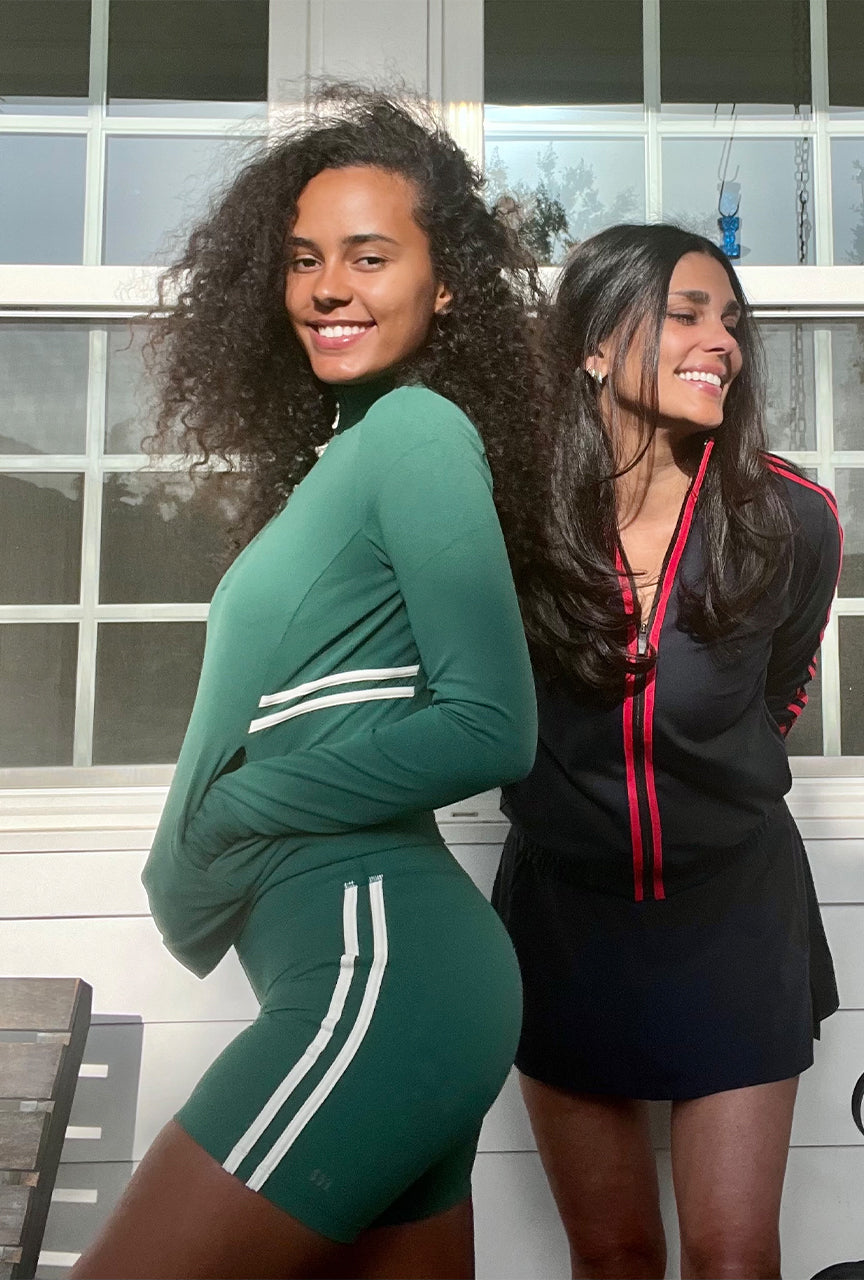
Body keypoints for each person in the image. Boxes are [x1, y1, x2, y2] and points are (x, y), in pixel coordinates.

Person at [72, 86, 542, 1280]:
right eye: (303, 259)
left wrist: (241, 804)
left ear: (445, 287)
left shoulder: (417, 432)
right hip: (373, 968)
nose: (328, 286)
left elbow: (492, 722)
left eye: (370, 256)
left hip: (376, 962)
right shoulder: (347, 454)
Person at [493, 223, 842, 1280]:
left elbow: (778, 688)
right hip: (567, 922)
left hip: (733, 916)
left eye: (731, 321)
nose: (721, 342)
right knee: (613, 1252)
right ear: (595, 344)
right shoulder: (511, 521)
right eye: (687, 313)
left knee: (733, 1256)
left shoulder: (790, 517)